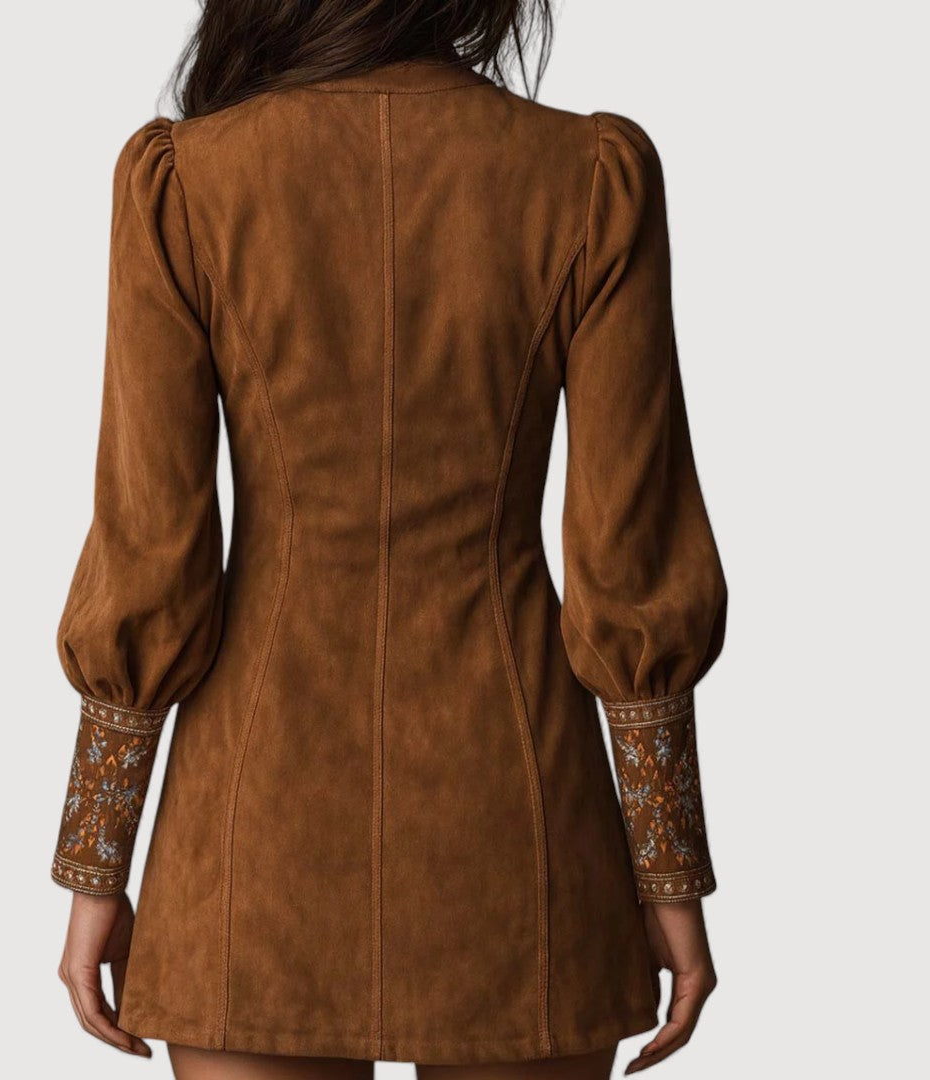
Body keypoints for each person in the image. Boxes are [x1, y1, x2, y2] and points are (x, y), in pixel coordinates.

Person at [51, 2, 727, 1078]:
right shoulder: (588, 177)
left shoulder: (188, 182)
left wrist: (98, 862)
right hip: (520, 830)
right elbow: (634, 553)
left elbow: (151, 557)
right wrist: (669, 870)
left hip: (254, 837)